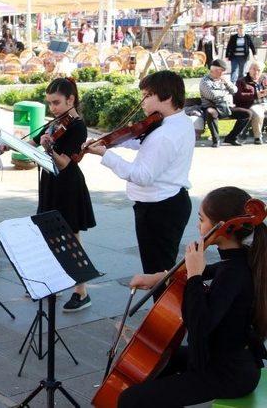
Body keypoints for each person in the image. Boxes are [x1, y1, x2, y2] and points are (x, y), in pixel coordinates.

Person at [119, 186, 267, 407]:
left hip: (229, 374)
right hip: (225, 358)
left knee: (129, 399)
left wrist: (195, 277)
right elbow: (214, 270)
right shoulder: (239, 259)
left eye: (202, 219)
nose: (199, 225)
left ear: (223, 228)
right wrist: (158, 277)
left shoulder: (235, 274)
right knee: (158, 360)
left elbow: (199, 327)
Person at [84, 70, 194, 301]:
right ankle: (167, 320)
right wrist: (114, 140)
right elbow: (144, 143)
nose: (142, 102)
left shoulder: (164, 134)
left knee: (158, 276)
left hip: (159, 210)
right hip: (168, 204)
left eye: (146, 95)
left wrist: (106, 154)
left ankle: (165, 326)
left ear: (165, 96)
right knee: (161, 272)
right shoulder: (178, 121)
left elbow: (143, 175)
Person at [29, 78, 96, 312]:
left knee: (71, 238)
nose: (53, 108)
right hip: (51, 181)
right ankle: (54, 283)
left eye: (56, 103)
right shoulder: (56, 121)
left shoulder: (78, 126)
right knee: (51, 235)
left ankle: (81, 291)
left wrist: (50, 148)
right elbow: (33, 141)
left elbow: (65, 163)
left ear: (71, 99)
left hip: (67, 185)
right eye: (49, 103)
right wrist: (11, 145)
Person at [199, 59, 251, 147]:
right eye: (222, 71)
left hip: (227, 107)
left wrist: (226, 83)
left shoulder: (224, 79)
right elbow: (213, 96)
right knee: (211, 112)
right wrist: (226, 93)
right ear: (215, 71)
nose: (223, 73)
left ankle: (231, 138)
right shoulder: (205, 81)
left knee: (247, 114)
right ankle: (216, 140)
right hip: (214, 107)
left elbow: (235, 90)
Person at [234, 60, 266, 145]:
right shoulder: (242, 81)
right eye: (254, 69)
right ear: (249, 69)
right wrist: (256, 95)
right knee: (258, 113)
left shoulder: (264, 79)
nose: (256, 72)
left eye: (259, 70)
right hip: (253, 104)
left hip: (265, 103)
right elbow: (239, 95)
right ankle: (258, 137)